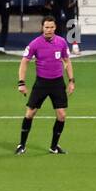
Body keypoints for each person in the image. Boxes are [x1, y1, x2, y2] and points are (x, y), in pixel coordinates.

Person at [16, 16, 75, 155]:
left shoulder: (61, 42)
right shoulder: (35, 44)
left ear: (55, 28)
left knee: (61, 115)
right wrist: (21, 83)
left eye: (51, 27)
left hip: (57, 83)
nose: (49, 30)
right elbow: (24, 62)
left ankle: (54, 147)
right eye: (46, 27)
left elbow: (67, 61)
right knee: (30, 113)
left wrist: (71, 81)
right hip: (41, 83)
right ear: (42, 28)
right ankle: (22, 145)